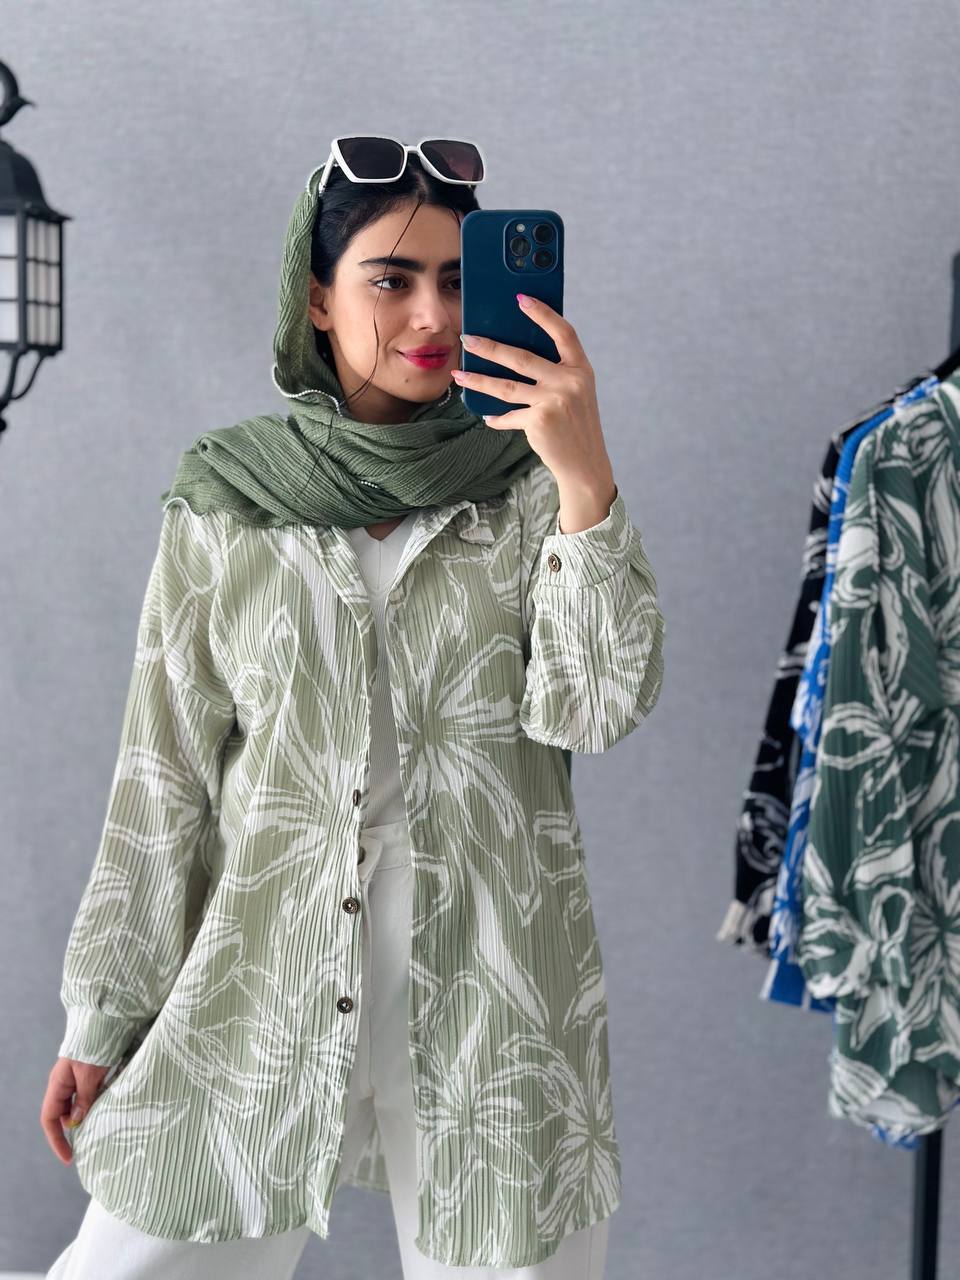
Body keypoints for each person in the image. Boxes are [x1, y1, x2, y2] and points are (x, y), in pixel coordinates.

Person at [40, 138, 666, 1279]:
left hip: (495, 986)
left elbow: (598, 708)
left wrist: (586, 478)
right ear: (318, 299)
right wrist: (104, 1014)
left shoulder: (531, 489)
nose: (433, 314)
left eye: (458, 279)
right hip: (261, 967)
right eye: (392, 278)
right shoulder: (228, 501)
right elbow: (162, 779)